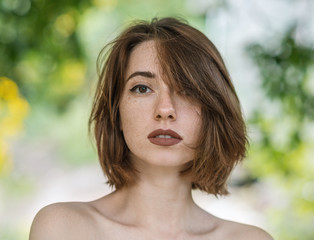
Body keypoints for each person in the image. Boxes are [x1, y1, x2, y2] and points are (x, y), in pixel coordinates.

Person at [29, 17, 273, 240]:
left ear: (213, 112)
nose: (165, 109)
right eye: (142, 88)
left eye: (187, 90)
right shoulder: (64, 229)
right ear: (117, 112)